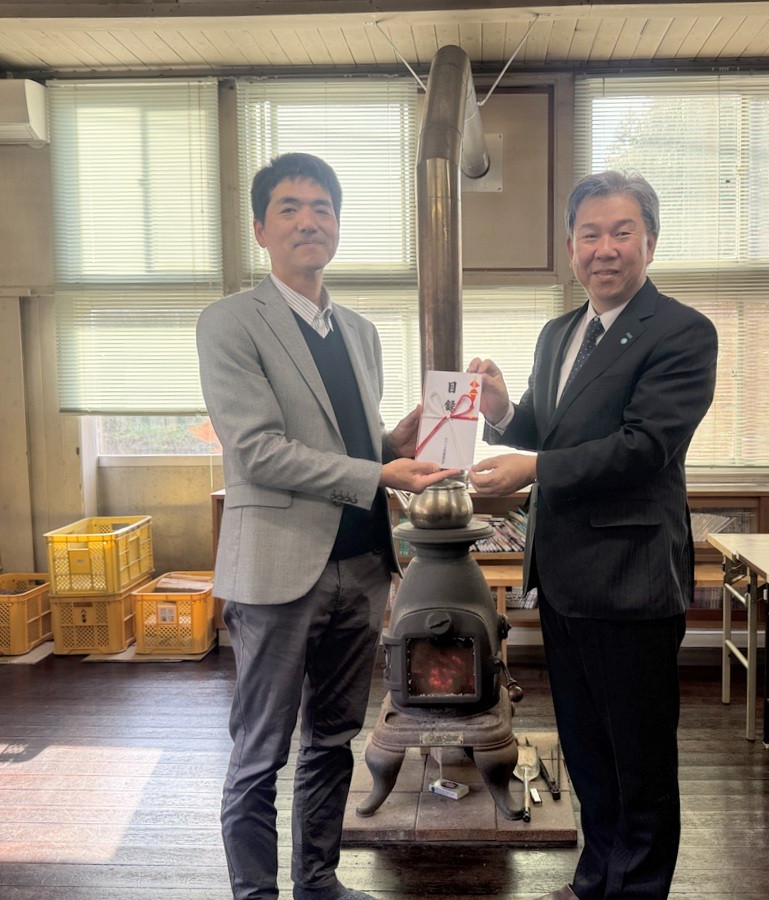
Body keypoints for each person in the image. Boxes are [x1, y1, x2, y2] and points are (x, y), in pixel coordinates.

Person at [197, 152, 457, 900]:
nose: (309, 221)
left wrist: (400, 441)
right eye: (290, 208)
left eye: (322, 208)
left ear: (338, 225)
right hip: (277, 568)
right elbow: (258, 451)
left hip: (362, 565)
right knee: (260, 752)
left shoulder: (360, 333)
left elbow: (351, 445)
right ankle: (256, 895)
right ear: (260, 228)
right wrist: (379, 474)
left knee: (334, 739)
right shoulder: (229, 323)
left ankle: (318, 882)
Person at [467, 171, 718, 899]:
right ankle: (593, 882)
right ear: (571, 246)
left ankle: (635, 890)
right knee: (584, 749)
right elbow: (549, 428)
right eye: (589, 234)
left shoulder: (682, 331)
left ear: (650, 242)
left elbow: (645, 447)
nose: (604, 249)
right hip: (563, 576)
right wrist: (502, 410)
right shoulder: (558, 333)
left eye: (621, 232)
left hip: (631, 576)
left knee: (638, 757)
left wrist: (534, 467)